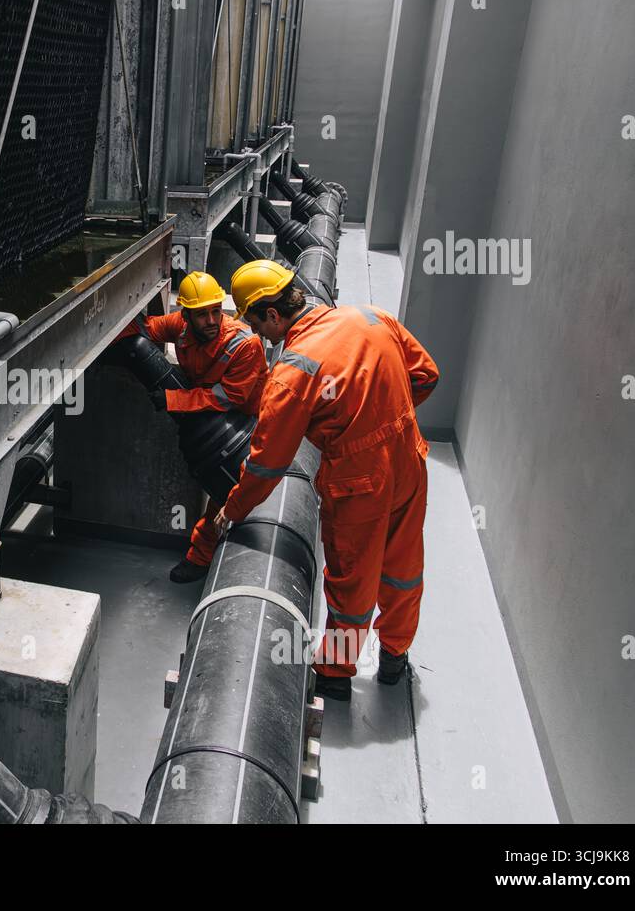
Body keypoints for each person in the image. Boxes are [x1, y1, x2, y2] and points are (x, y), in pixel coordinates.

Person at [213, 259, 439, 701]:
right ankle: (395, 656)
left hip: (358, 481)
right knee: (403, 566)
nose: (260, 337)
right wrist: (383, 411)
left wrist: (232, 509)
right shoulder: (374, 317)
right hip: (409, 460)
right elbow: (427, 375)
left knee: (352, 578)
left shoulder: (294, 370)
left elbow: (267, 464)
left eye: (258, 325)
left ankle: (336, 672)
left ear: (272, 314)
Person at [119, 270, 267, 583]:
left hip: (246, 425)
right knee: (220, 493)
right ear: (186, 314)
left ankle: (200, 558)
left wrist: (174, 399)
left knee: (225, 495)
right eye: (202, 315)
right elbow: (144, 329)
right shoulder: (182, 328)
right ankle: (200, 557)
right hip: (210, 418)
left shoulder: (245, 345)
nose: (212, 320)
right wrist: (107, 340)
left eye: (216, 311)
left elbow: (229, 397)